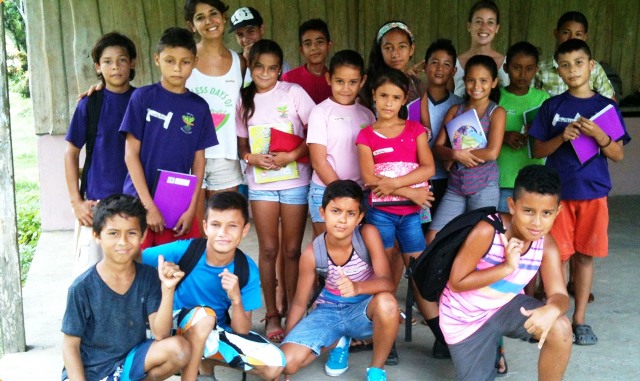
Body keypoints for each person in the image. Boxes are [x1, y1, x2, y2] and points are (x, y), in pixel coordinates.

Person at [529, 39, 631, 346]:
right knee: (556, 257)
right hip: (558, 197)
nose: (572, 70)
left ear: (591, 65)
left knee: (585, 257)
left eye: (578, 63)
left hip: (593, 194)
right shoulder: (552, 107)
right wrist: (562, 137)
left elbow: (617, 155)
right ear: (557, 70)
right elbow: (537, 150)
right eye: (565, 64)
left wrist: (599, 135)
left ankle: (580, 320)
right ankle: (554, 317)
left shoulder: (606, 107)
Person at [440, 165, 573, 381]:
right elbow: (457, 282)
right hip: (465, 320)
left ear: (557, 211)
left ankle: (496, 344)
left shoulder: (546, 245)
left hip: (503, 307)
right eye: (528, 211)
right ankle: (493, 347)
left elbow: (560, 295)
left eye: (546, 213)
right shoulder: (488, 231)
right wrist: (507, 268)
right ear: (512, 205)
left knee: (560, 326)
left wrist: (552, 309)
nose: (537, 222)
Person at [142, 192, 285, 380]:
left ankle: (204, 364)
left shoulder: (246, 268)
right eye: (216, 225)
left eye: (232, 226)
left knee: (275, 364)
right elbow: (135, 257)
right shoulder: (185, 250)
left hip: (212, 332)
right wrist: (163, 270)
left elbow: (241, 330)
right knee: (204, 317)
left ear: (244, 230)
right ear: (205, 227)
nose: (223, 233)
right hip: (173, 329)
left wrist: (235, 299)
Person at [61, 194, 191, 381]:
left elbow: (161, 334)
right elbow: (70, 345)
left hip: (129, 363)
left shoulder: (148, 276)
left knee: (180, 349)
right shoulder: (82, 287)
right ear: (97, 236)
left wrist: (168, 289)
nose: (122, 241)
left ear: (143, 235)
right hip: (92, 372)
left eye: (131, 233)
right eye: (113, 233)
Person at [236, 39, 315, 343]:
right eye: (259, 67)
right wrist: (250, 158)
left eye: (272, 68)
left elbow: (314, 131)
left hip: (295, 182)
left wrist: (292, 156)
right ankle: (272, 314)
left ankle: (294, 312)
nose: (265, 73)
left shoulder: (293, 93)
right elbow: (242, 143)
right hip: (261, 186)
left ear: (280, 69)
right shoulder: (244, 99)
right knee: (269, 250)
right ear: (251, 68)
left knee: (292, 251)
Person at [280, 180, 398, 381]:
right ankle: (338, 341)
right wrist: (285, 344)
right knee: (286, 364)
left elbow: (388, 282)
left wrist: (357, 287)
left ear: (360, 217)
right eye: (336, 211)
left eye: (350, 213)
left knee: (387, 302)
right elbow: (299, 304)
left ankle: (376, 370)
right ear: (323, 212)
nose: (342, 220)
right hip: (328, 312)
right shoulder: (312, 253)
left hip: (363, 311)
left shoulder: (368, 235)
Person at [356, 68, 435, 364]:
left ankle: (441, 333)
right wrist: (412, 192)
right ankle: (386, 340)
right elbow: (368, 176)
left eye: (396, 98)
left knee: (419, 270)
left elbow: (427, 168)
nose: (389, 103)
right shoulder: (366, 135)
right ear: (374, 97)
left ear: (404, 100)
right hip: (380, 216)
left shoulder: (415, 130)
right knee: (383, 274)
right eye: (383, 96)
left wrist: (397, 187)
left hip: (412, 217)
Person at [119, 27, 218, 250]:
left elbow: (199, 162)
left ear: (195, 62)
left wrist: (192, 207)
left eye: (185, 62)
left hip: (178, 204)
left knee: (178, 267)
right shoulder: (142, 98)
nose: (177, 68)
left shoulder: (199, 107)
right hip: (139, 201)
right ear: (157, 59)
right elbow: (130, 155)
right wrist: (148, 207)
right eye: (169, 60)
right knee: (141, 268)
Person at [64, 32, 138, 275]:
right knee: (90, 276)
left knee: (134, 275)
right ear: (98, 66)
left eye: (122, 60)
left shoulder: (143, 101)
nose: (115, 67)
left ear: (133, 63)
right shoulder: (90, 104)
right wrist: (77, 202)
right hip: (97, 203)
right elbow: (71, 153)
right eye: (107, 61)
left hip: (136, 203)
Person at [415, 38, 464, 358]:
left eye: (448, 63)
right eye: (435, 61)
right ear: (424, 65)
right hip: (418, 188)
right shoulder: (408, 106)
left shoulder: (460, 105)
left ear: (454, 69)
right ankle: (431, 315)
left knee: (448, 252)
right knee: (422, 253)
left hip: (452, 186)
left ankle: (449, 323)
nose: (440, 69)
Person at [428, 54, 506, 240]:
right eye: (471, 80)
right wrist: (455, 154)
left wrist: (458, 156)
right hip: (455, 186)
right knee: (433, 237)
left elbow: (492, 152)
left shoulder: (496, 112)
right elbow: (437, 148)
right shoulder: (456, 111)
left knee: (479, 240)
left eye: (483, 80)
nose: (477, 86)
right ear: (464, 81)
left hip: (484, 185)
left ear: (494, 82)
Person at [307, 49, 375, 237]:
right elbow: (319, 162)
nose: (346, 88)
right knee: (325, 251)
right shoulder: (320, 112)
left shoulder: (367, 115)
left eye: (353, 82)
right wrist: (344, 196)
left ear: (362, 81)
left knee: (354, 252)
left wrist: (355, 197)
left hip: (360, 193)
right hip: (326, 190)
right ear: (328, 78)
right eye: (339, 81)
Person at [184, 0, 246, 198]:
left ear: (224, 18)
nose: (209, 21)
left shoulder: (240, 62)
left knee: (224, 225)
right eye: (200, 17)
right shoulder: (184, 59)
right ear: (191, 25)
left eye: (213, 14)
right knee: (192, 227)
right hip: (187, 154)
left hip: (225, 155)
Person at [497, 41, 549, 213]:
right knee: (503, 232)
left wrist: (538, 130)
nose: (522, 74)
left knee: (530, 231)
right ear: (506, 68)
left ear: (536, 69)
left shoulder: (543, 99)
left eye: (529, 68)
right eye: (516, 67)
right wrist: (502, 136)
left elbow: (553, 135)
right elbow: (480, 131)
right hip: (502, 179)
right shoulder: (496, 97)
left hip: (534, 179)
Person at [534, 11, 615, 99]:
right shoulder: (540, 70)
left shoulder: (594, 68)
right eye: (566, 33)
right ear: (556, 33)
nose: (571, 38)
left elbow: (610, 103)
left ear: (584, 37)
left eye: (578, 34)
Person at [360, 20, 426, 124]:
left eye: (402, 46)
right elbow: (361, 124)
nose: (395, 53)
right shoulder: (369, 83)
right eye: (388, 48)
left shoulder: (417, 85)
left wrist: (422, 135)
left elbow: (426, 126)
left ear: (411, 49)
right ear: (380, 50)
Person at [452, 0, 509, 98]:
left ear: (497, 28)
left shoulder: (507, 64)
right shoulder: (454, 63)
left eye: (490, 22)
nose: (484, 27)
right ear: (469, 26)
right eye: (479, 21)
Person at [228, 6, 290, 85]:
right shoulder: (233, 65)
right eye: (240, 35)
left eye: (251, 31)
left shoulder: (280, 64)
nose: (245, 39)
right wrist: (244, 65)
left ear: (262, 29)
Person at [281, 18, 333, 104]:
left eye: (319, 42)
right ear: (301, 49)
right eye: (307, 44)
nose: (314, 48)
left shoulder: (337, 81)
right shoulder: (288, 79)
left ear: (329, 45)